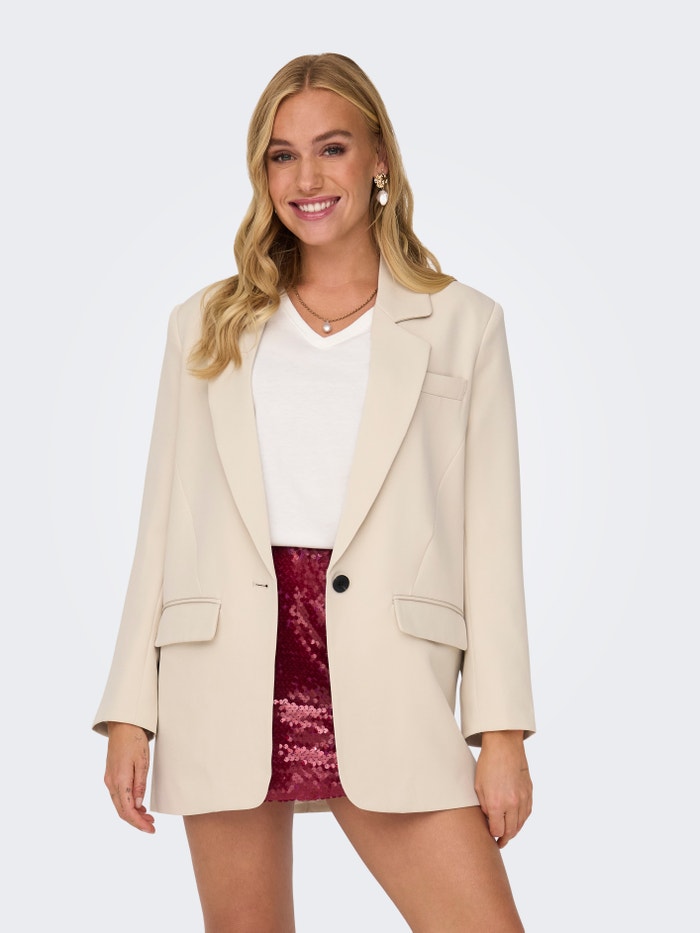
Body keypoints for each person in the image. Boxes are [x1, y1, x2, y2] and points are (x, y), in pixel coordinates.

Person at [94, 52, 536, 932]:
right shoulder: (206, 324)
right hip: (227, 661)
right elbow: (162, 525)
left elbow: (491, 540)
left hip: (389, 668)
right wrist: (129, 713)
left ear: (379, 158)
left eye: (332, 148)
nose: (307, 179)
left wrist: (502, 733)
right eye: (282, 155)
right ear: (262, 174)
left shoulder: (463, 324)